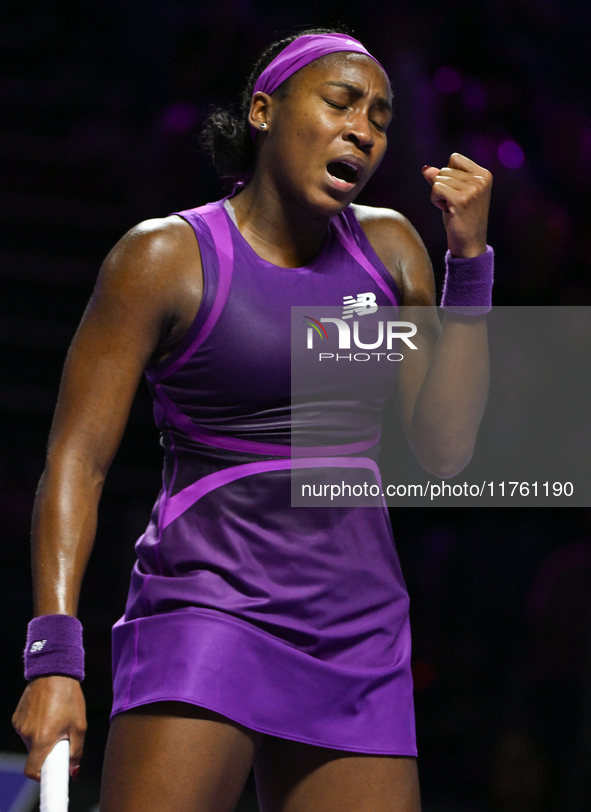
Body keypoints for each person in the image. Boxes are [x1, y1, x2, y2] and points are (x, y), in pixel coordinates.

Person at [13, 28, 492, 812]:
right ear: (264, 111)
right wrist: (53, 659)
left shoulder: (394, 248)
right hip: (209, 606)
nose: (362, 129)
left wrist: (468, 265)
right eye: (340, 102)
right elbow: (77, 461)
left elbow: (444, 452)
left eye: (379, 116)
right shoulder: (164, 256)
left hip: (358, 626)